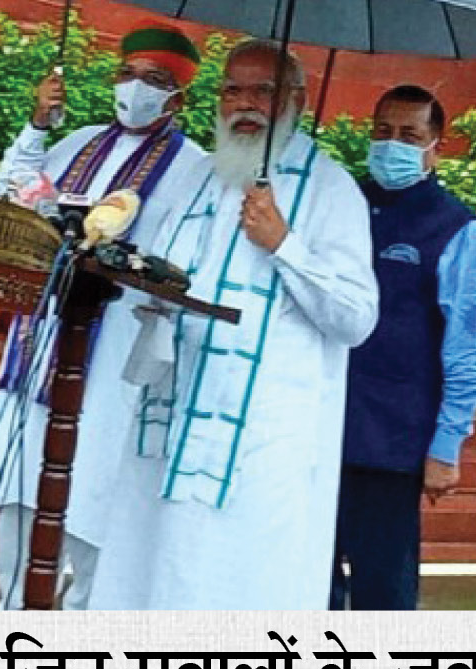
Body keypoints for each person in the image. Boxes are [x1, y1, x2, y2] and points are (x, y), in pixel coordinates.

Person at [88, 39, 380, 609]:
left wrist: (284, 243)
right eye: (232, 90)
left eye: (263, 91)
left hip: (260, 441)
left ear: (296, 101)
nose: (244, 104)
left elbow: (356, 317)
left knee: (234, 588)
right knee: (150, 575)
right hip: (171, 413)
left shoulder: (329, 188)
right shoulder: (203, 174)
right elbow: (164, 267)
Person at [0, 24, 207, 610]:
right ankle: (15, 610)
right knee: (22, 481)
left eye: (154, 79)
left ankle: (86, 617)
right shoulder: (78, 142)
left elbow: (188, 259)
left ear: (178, 97)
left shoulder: (193, 169)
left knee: (96, 486)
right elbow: (18, 189)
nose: (135, 87)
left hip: (116, 347)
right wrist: (38, 125)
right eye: (127, 73)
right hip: (44, 331)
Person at [331, 85, 476, 610]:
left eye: (409, 135)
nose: (392, 145)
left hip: (392, 440)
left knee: (383, 592)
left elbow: (470, 348)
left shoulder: (458, 229)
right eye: (383, 132)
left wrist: (446, 446)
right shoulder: (339, 205)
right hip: (319, 426)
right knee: (307, 581)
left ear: (434, 147)